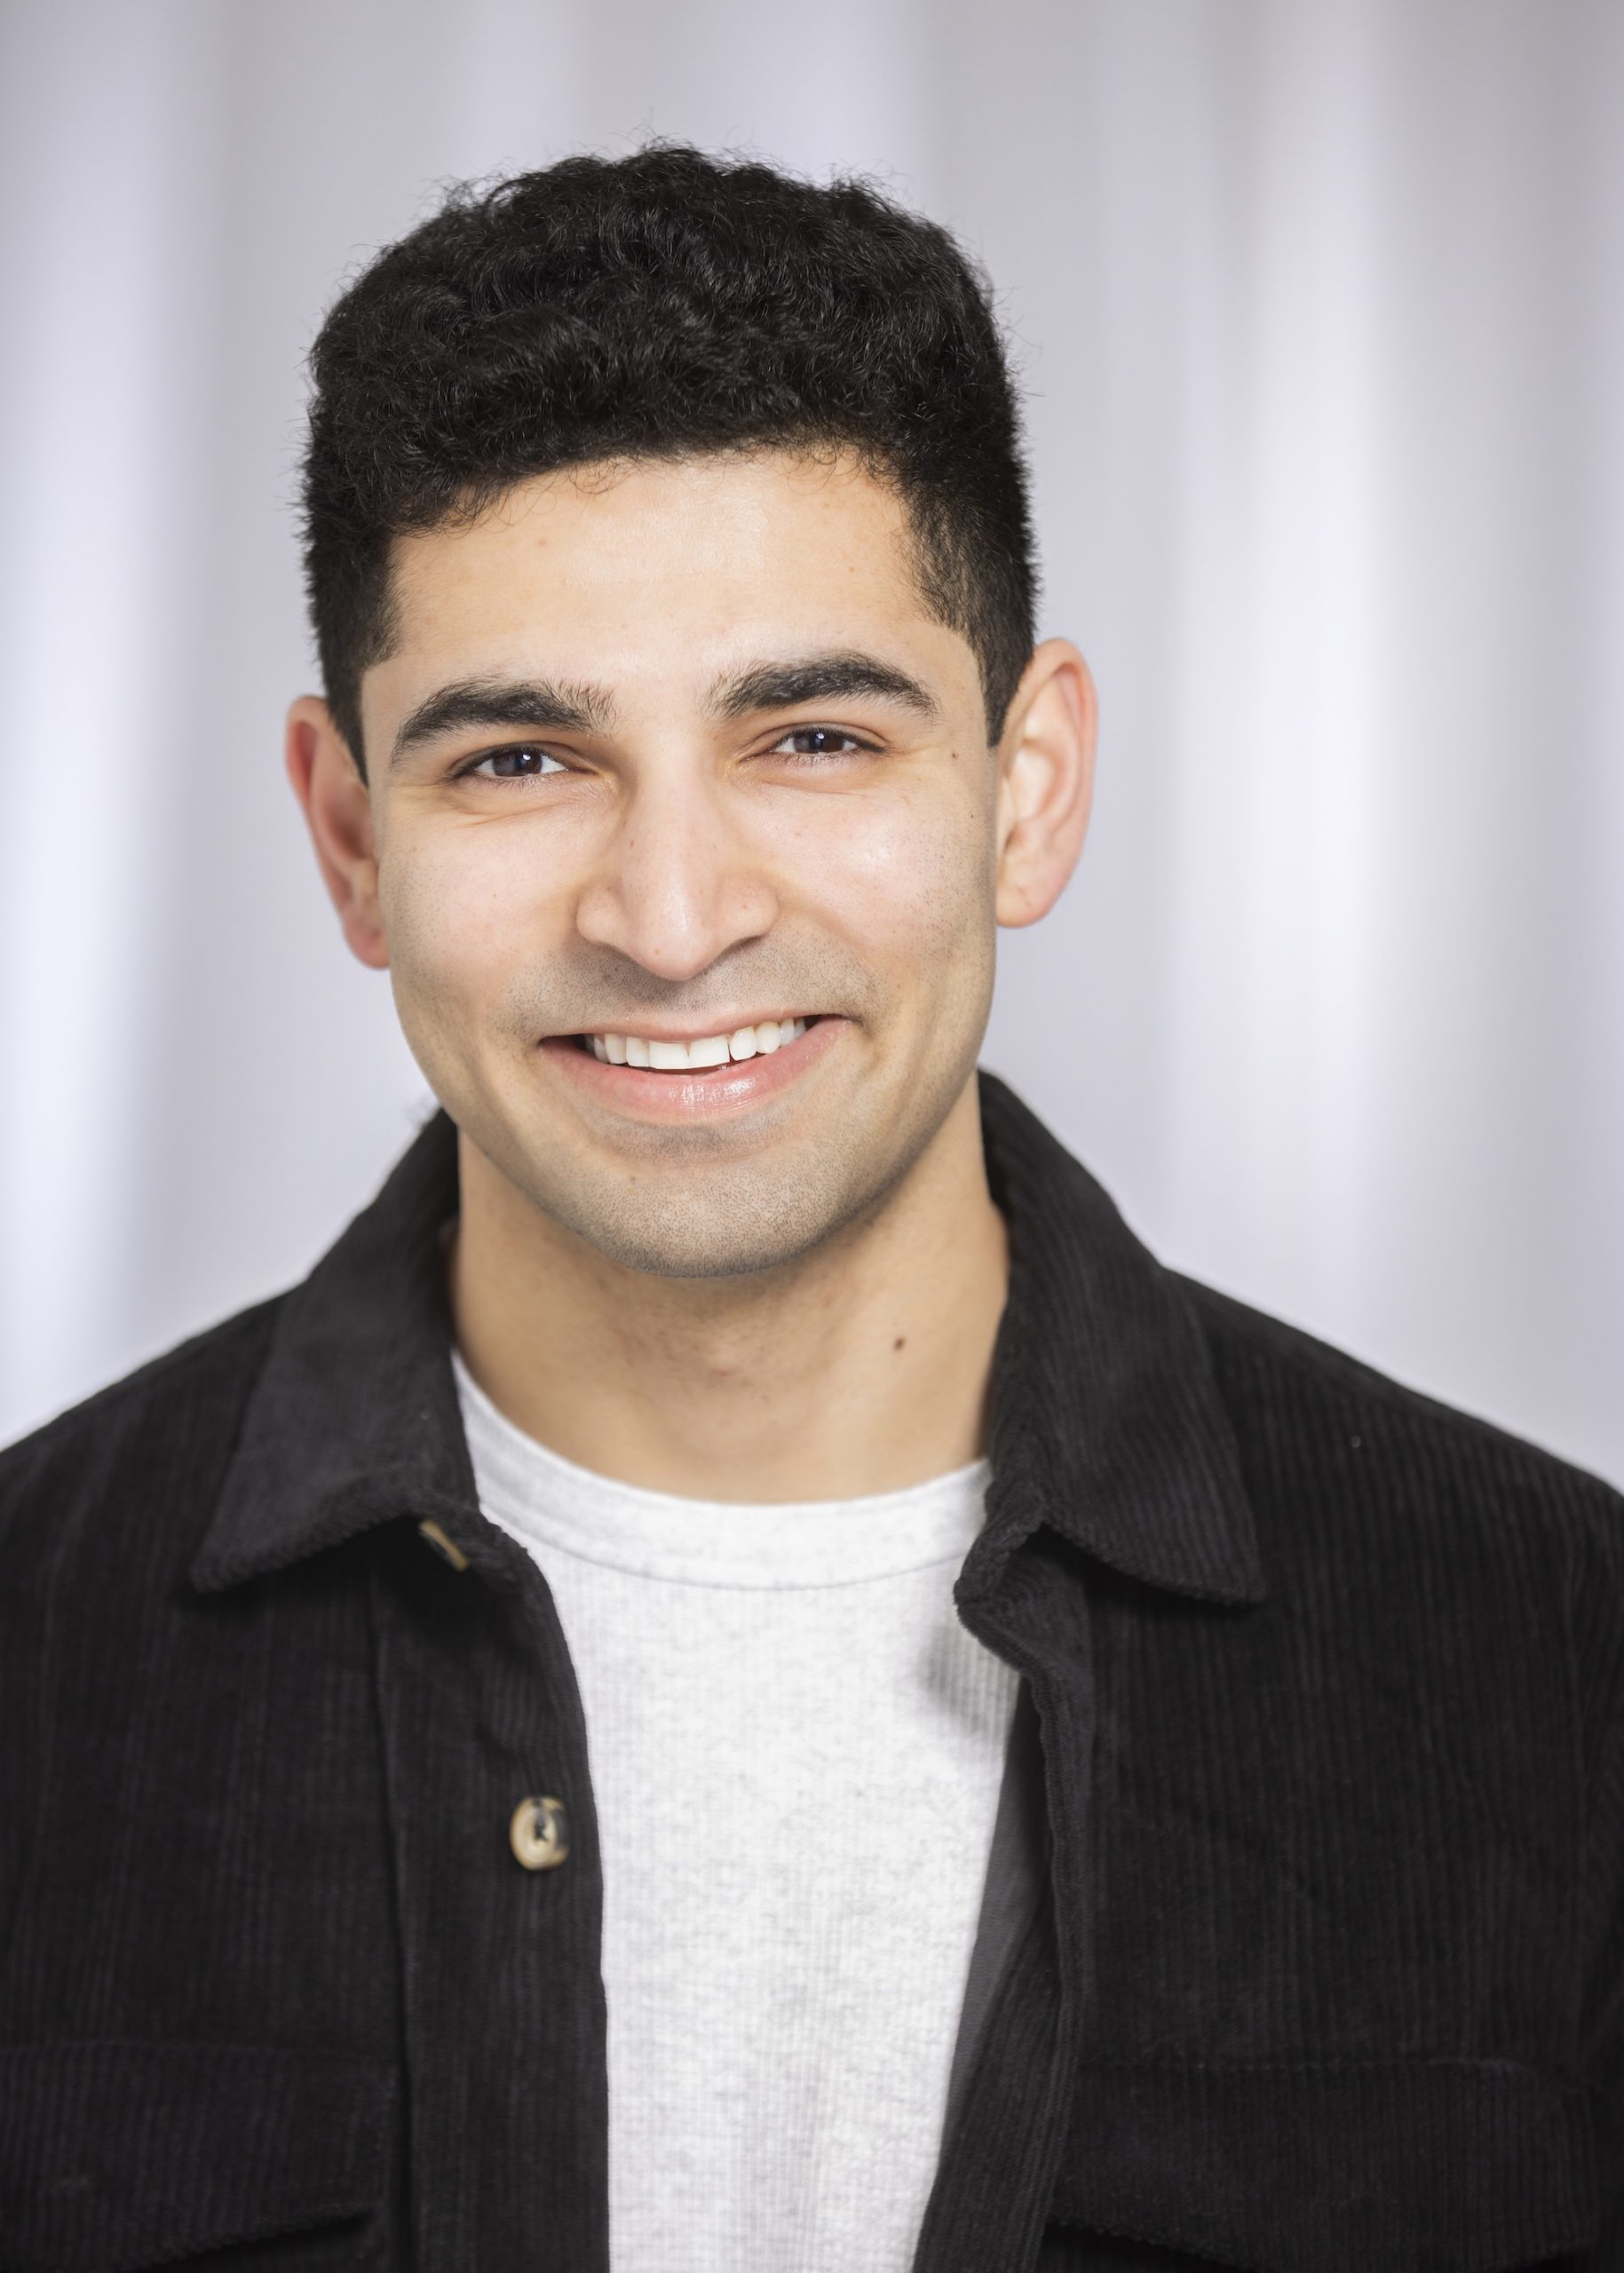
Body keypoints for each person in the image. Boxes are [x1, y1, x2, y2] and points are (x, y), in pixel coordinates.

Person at [2, 143, 1620, 2273]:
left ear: (1027, 788)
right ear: (350, 836)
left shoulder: (1558, 1667)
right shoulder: (30, 1652)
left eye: (815, 737)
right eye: (519, 760)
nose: (673, 917)